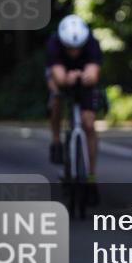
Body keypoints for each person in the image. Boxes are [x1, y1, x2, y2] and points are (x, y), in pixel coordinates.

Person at [46, 15, 102, 198]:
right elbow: (58, 77)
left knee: (89, 124)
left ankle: (91, 175)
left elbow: (93, 74)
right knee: (55, 99)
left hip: (84, 83)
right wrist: (66, 79)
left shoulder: (92, 43)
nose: (74, 52)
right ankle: (56, 141)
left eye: (77, 48)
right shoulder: (54, 44)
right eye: (69, 48)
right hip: (60, 78)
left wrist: (84, 76)